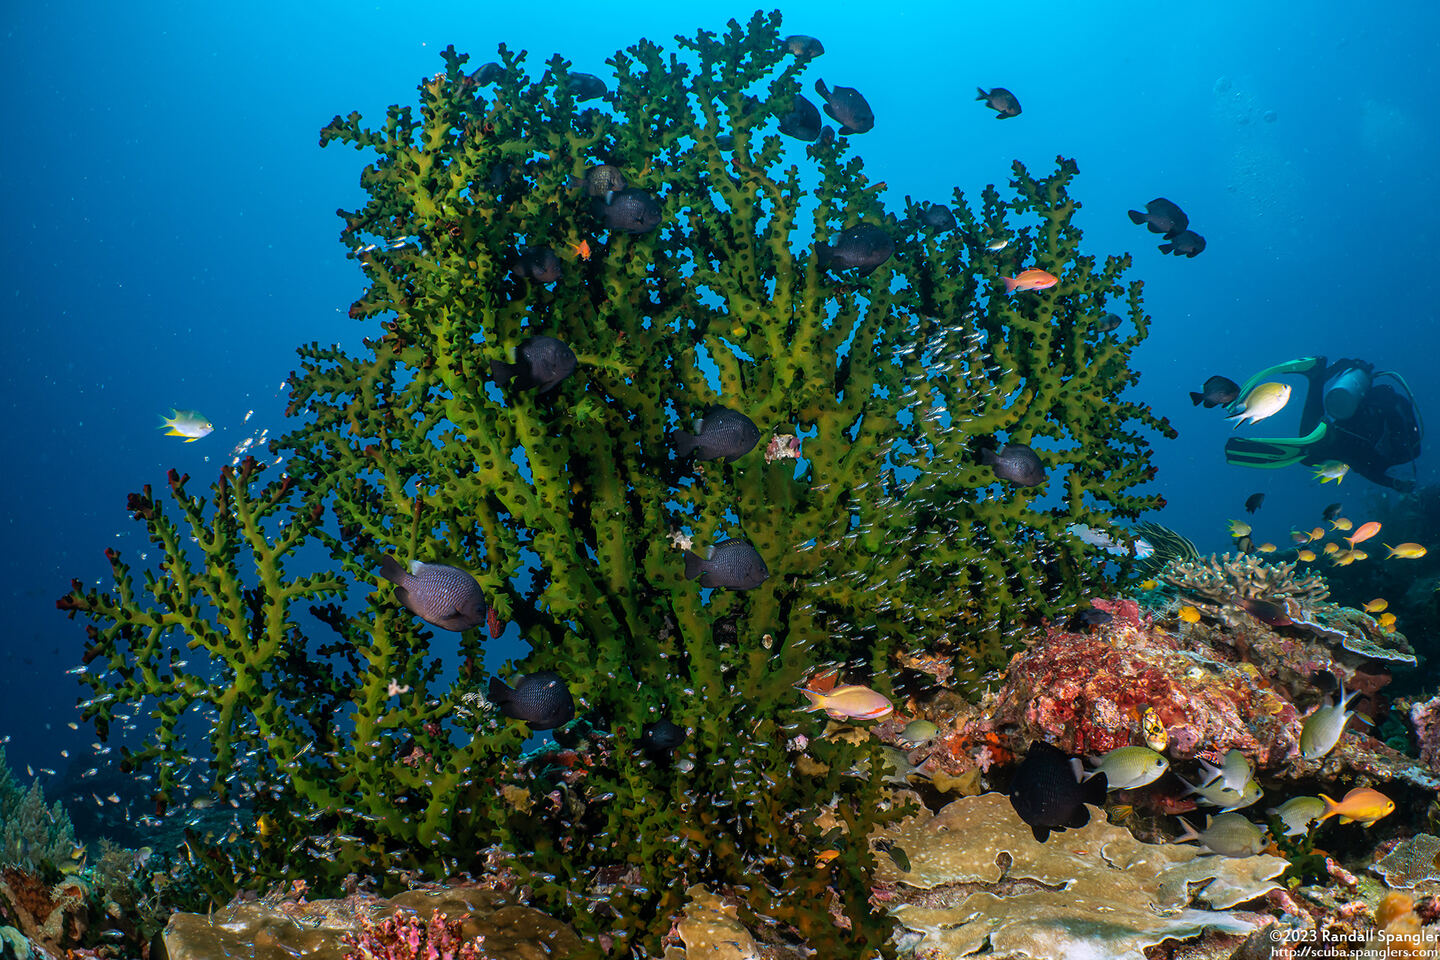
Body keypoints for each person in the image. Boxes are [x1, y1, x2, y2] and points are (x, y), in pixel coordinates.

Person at [1224, 356, 1422, 492]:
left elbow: (1366, 463)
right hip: (1351, 439)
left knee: (1313, 451)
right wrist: (1394, 484)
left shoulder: (1379, 405)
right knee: (1310, 454)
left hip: (1345, 427)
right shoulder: (1394, 450)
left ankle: (1317, 378)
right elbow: (1367, 468)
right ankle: (1317, 379)